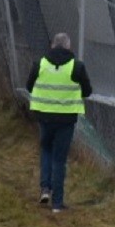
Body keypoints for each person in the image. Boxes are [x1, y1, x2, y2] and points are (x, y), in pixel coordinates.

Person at [25, 32, 93, 213]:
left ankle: (45, 188)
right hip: (66, 119)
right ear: (68, 46)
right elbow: (87, 91)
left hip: (44, 117)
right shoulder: (77, 67)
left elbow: (29, 86)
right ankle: (57, 203)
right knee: (59, 159)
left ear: (53, 45)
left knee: (46, 150)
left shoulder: (40, 64)